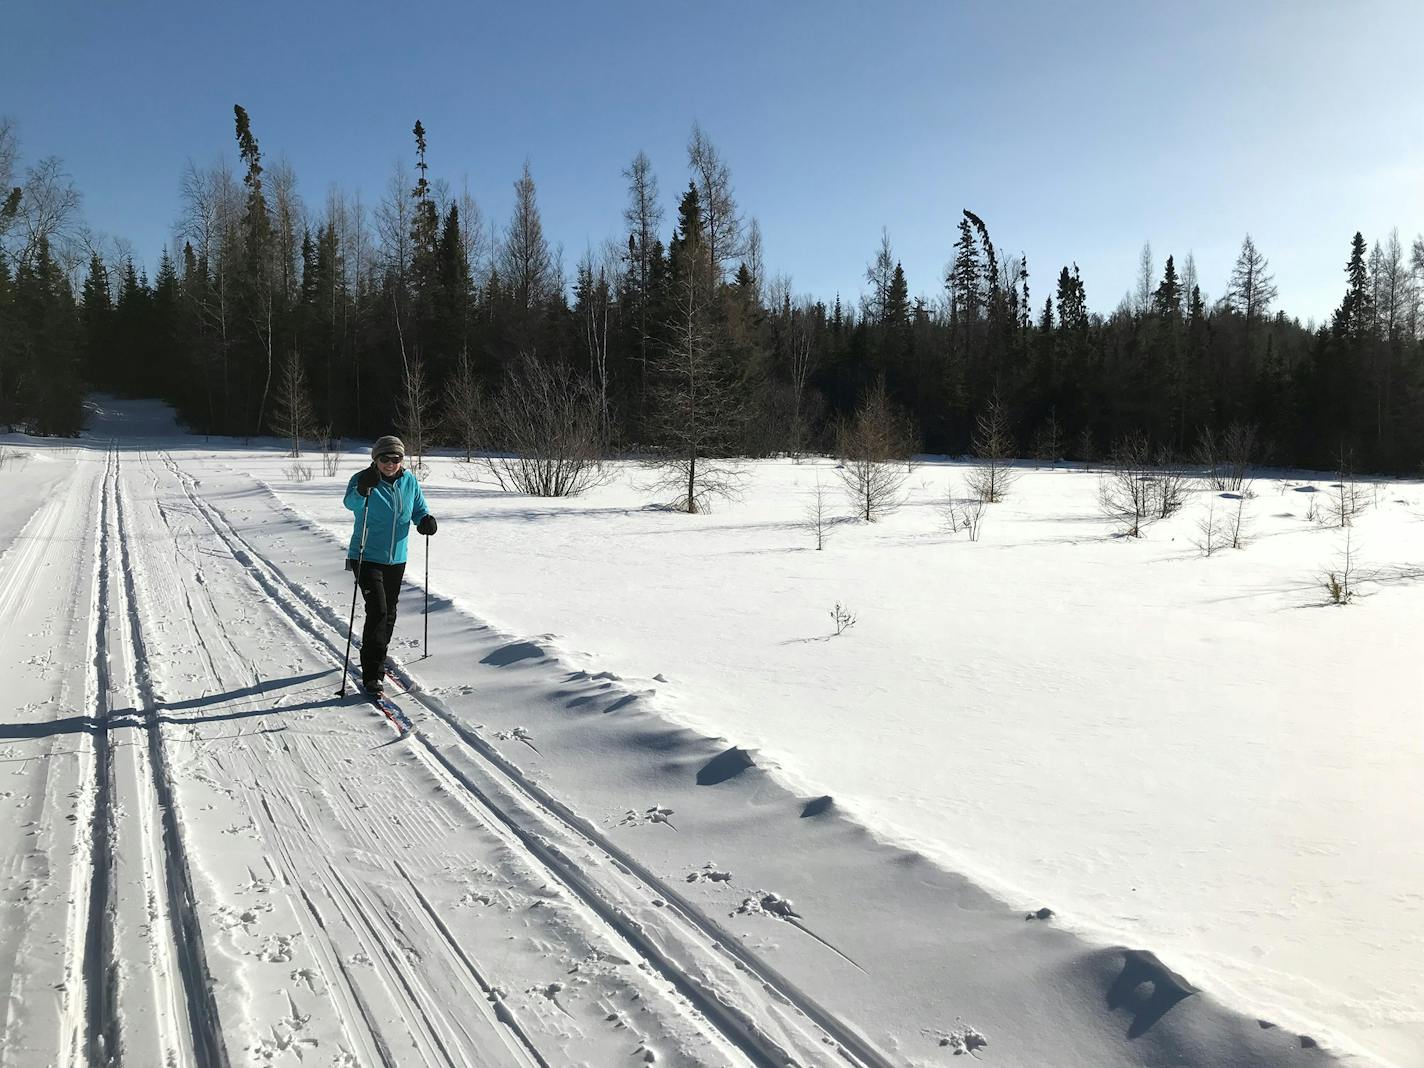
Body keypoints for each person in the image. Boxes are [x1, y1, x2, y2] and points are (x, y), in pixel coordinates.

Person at [343, 435, 437, 694]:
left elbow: (418, 508)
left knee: (390, 611)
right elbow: (350, 503)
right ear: (376, 459)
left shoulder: (409, 481)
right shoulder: (364, 480)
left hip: (397, 557)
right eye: (385, 458)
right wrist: (364, 489)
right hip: (365, 555)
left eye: (396, 459)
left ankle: (377, 653)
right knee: (379, 610)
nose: (390, 463)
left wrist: (425, 520)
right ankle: (373, 673)